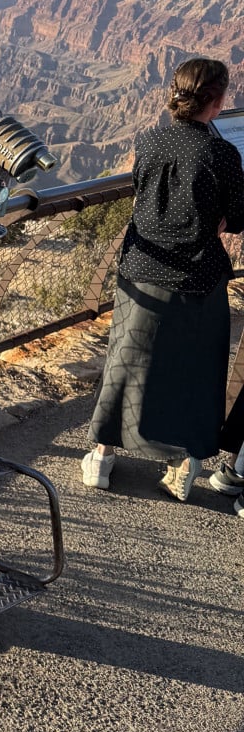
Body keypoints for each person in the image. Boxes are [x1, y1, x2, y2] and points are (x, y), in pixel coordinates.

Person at [81, 57, 244, 500]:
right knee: (193, 369)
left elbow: (142, 190)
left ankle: (101, 455)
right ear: (215, 100)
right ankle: (184, 460)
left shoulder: (150, 140)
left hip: (142, 270)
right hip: (197, 276)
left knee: (126, 360)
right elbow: (239, 217)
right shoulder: (222, 153)